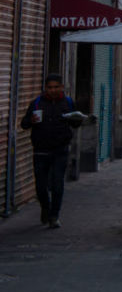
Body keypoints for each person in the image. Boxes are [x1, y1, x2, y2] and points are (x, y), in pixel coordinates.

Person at [19, 74, 84, 228]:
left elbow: (75, 125)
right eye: (49, 87)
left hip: (60, 149)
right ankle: (45, 208)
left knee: (57, 184)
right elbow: (24, 124)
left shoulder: (67, 103)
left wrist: (77, 120)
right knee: (41, 186)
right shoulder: (36, 103)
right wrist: (31, 121)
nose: (52, 90)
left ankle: (54, 215)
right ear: (45, 88)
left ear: (61, 87)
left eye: (56, 87)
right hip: (40, 150)